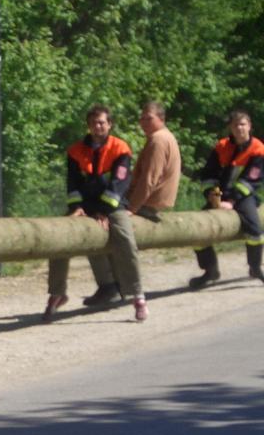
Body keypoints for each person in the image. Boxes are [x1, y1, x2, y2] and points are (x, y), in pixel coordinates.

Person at [43, 105, 148, 323]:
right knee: (59, 236)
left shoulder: (120, 149)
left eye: (101, 122)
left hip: (113, 206)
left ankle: (137, 295)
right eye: (93, 123)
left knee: (126, 240)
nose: (97, 126)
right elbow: (72, 183)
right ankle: (57, 293)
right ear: (88, 126)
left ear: (109, 125)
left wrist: (103, 211)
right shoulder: (75, 151)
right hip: (85, 207)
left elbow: (119, 183)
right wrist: (76, 207)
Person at [83, 100, 182, 306]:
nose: (143, 122)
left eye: (149, 118)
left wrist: (132, 208)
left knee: (99, 229)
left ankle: (114, 286)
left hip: (148, 203)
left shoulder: (158, 140)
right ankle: (114, 286)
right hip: (153, 201)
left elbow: (149, 179)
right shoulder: (164, 137)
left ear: (161, 118)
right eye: (142, 118)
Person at [188, 109, 264, 289]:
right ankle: (210, 271)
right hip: (220, 195)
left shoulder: (258, 149)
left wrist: (231, 201)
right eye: (235, 125)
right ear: (230, 127)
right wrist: (211, 194)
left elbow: (251, 180)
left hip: (244, 196)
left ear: (249, 126)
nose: (239, 128)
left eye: (243, 124)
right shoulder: (221, 146)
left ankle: (255, 268)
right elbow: (208, 173)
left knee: (254, 230)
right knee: (198, 229)